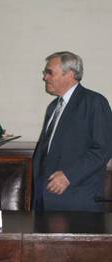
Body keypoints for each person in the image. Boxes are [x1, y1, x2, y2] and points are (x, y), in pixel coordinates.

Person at [33, 51, 112, 212]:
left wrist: (69, 175)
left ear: (69, 74)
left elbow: (103, 149)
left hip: (76, 199)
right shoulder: (53, 107)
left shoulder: (94, 102)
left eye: (49, 72)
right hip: (44, 198)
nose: (45, 77)